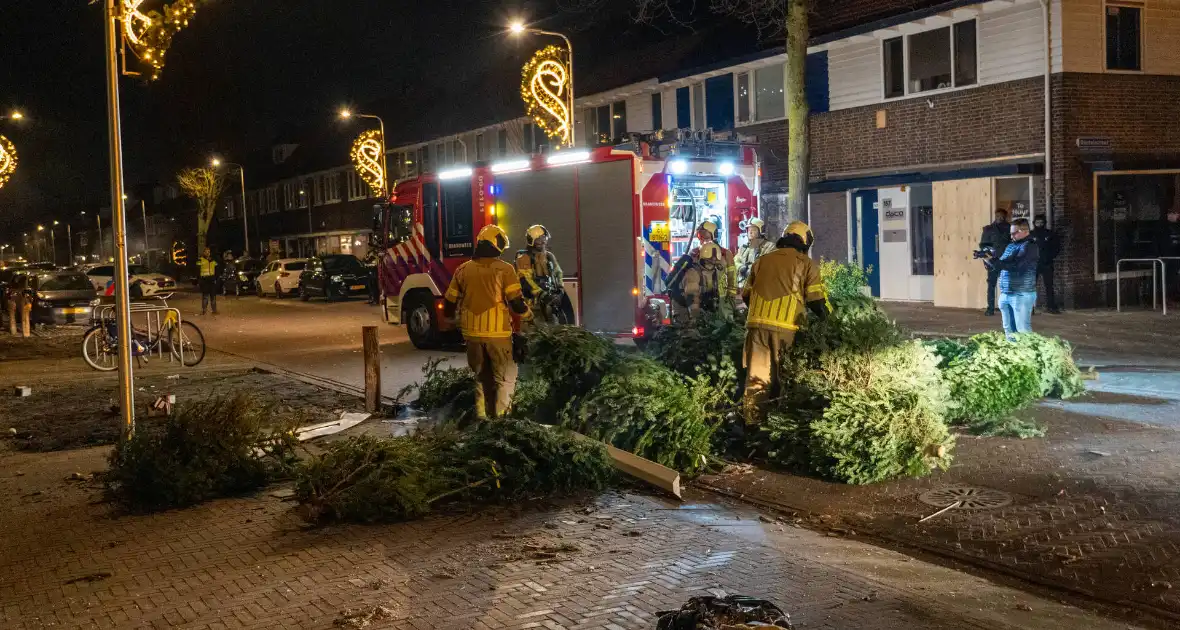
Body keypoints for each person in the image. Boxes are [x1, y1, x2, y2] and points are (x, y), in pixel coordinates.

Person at [742, 221, 829, 425]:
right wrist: (829, 321)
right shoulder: (806, 264)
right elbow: (817, 301)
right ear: (805, 242)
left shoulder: (761, 261)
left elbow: (746, 295)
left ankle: (753, 424)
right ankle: (782, 426)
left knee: (757, 379)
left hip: (756, 327)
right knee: (786, 379)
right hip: (787, 329)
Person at [443, 225, 531, 420]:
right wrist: (529, 315)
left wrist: (451, 320)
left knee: (482, 379)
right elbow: (516, 303)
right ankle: (501, 425)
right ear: (496, 244)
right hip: (498, 335)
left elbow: (449, 302)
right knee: (504, 380)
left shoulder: (463, 270)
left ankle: (482, 421)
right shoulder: (504, 269)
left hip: (472, 335)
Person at [985, 218, 1040, 340]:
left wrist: (995, 261)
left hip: (1021, 293)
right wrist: (987, 259)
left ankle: (1030, 355)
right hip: (1007, 292)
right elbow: (1003, 264)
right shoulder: (1011, 246)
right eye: (1010, 233)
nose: (1011, 236)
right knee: (1009, 330)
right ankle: (1014, 354)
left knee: (1022, 329)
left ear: (1025, 231)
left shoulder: (1030, 246)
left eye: (1014, 233)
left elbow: (1017, 267)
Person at [515, 224, 570, 325]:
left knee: (554, 333)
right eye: (539, 239)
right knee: (534, 335)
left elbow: (558, 273)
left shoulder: (549, 256)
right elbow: (526, 281)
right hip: (533, 307)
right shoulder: (524, 258)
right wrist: (542, 295)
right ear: (531, 240)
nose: (543, 241)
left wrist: (560, 290)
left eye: (544, 238)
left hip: (551, 306)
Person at [675, 242, 730, 321]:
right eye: (708, 261)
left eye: (714, 261)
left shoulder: (717, 272)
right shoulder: (693, 273)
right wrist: (696, 318)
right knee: (687, 330)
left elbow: (722, 293)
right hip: (684, 307)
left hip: (702, 306)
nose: (711, 264)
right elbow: (692, 298)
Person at [979, 209, 1012, 316]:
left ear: (1005, 217)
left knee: (1008, 285)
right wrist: (985, 259)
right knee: (991, 284)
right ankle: (990, 308)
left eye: (1002, 216)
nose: (999, 217)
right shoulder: (988, 229)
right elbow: (983, 245)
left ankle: (1008, 308)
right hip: (992, 260)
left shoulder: (1010, 228)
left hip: (1006, 259)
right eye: (997, 215)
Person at [1029, 215, 1061, 314]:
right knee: (1031, 286)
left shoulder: (1050, 234)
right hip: (1034, 264)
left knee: (1049, 285)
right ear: (1034, 223)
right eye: (1037, 222)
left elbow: (1056, 247)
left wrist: (1050, 257)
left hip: (1047, 263)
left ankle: (1051, 306)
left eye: (1041, 222)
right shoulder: (1030, 235)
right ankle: (1030, 308)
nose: (1039, 224)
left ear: (1044, 223)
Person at [735, 218, 776, 289]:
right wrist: (740, 267)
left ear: (761, 231)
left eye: (753, 230)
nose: (750, 232)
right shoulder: (744, 247)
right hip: (743, 288)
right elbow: (735, 261)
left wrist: (750, 270)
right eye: (748, 230)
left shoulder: (770, 247)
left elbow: (770, 266)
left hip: (761, 288)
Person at [197, 247, 219, 316]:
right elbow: (197, 270)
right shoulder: (200, 260)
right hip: (204, 280)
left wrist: (216, 278)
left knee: (213, 296)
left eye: (208, 252)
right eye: (206, 252)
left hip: (212, 280)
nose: (207, 253)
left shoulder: (213, 260)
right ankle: (204, 310)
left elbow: (217, 269)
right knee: (205, 296)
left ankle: (214, 310)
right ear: (203, 252)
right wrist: (199, 280)